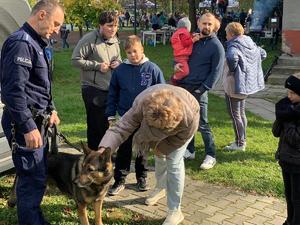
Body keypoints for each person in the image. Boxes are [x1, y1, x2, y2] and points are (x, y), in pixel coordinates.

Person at [98, 84, 200, 225]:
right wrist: (104, 149)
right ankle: (160, 187)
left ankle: (175, 211)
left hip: (179, 133)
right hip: (156, 121)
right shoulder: (142, 103)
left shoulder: (189, 118)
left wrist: (162, 148)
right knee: (159, 157)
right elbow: (120, 128)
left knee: (173, 163)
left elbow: (179, 140)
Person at [0, 0, 64, 224]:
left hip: (38, 120)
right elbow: (12, 91)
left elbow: (41, 85)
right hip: (24, 123)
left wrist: (51, 108)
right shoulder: (21, 43)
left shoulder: (39, 43)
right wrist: (27, 126)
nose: (57, 30)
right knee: (31, 179)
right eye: (55, 23)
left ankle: (35, 219)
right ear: (42, 15)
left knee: (37, 176)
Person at [106, 35, 165, 195]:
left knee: (142, 149)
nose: (133, 55)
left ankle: (142, 177)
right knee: (124, 149)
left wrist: (159, 116)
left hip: (146, 118)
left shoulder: (152, 69)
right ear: (125, 53)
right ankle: (119, 180)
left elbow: (162, 93)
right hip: (126, 116)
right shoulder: (120, 71)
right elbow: (113, 93)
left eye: (136, 51)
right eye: (129, 52)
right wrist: (111, 114)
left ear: (142, 50)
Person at [175, 13, 225, 169]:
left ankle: (211, 155)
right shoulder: (193, 40)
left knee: (202, 124)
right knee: (186, 122)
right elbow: (179, 55)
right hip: (184, 86)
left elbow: (216, 73)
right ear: (198, 22)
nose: (207, 27)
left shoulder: (216, 46)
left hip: (199, 89)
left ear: (214, 26)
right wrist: (175, 65)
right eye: (204, 23)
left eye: (210, 24)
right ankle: (190, 151)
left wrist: (202, 89)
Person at [71, 11, 121, 150]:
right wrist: (97, 66)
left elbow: (118, 58)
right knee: (97, 125)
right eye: (110, 25)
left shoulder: (115, 39)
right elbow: (75, 60)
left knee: (106, 124)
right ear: (100, 25)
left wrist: (118, 62)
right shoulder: (89, 39)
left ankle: (104, 155)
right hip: (92, 89)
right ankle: (95, 156)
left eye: (116, 25)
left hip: (109, 89)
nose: (113, 29)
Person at [223, 22, 266, 151]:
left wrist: (233, 69)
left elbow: (232, 58)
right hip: (246, 84)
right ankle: (242, 140)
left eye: (226, 34)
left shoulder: (233, 45)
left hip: (234, 84)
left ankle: (239, 144)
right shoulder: (250, 43)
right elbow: (263, 54)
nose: (226, 36)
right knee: (241, 113)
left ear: (231, 34)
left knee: (235, 114)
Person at [272, 73, 300, 225]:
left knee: (297, 199)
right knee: (289, 196)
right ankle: (289, 221)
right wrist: (280, 117)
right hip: (286, 160)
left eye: (294, 93)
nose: (289, 96)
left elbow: (296, 139)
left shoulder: (294, 113)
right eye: (288, 92)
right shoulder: (290, 109)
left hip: (298, 164)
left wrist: (287, 121)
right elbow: (276, 132)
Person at [170, 17, 200, 85]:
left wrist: (192, 36)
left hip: (179, 56)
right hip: (182, 57)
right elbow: (185, 43)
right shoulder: (184, 32)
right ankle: (174, 79)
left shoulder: (179, 32)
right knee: (185, 71)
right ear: (188, 26)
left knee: (181, 69)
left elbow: (185, 39)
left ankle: (177, 79)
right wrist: (193, 40)